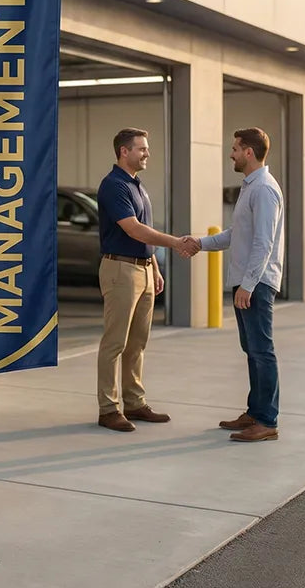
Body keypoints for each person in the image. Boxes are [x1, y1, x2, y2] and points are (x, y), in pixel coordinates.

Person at [95, 127, 198, 433]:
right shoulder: (114, 186)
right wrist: (177, 243)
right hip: (120, 270)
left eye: (146, 148)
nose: (147, 153)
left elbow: (145, 231)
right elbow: (134, 229)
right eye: (141, 148)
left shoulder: (138, 186)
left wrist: (153, 266)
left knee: (137, 343)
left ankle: (135, 403)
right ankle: (108, 408)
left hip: (141, 269)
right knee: (115, 342)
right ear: (123, 152)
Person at [186, 128, 284, 443]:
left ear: (249, 153)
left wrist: (249, 285)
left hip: (255, 284)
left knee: (262, 351)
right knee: (252, 350)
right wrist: (199, 242)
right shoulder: (251, 187)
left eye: (235, 149)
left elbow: (263, 243)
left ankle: (267, 421)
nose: (231, 154)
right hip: (245, 282)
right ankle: (255, 413)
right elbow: (235, 233)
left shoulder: (264, 189)